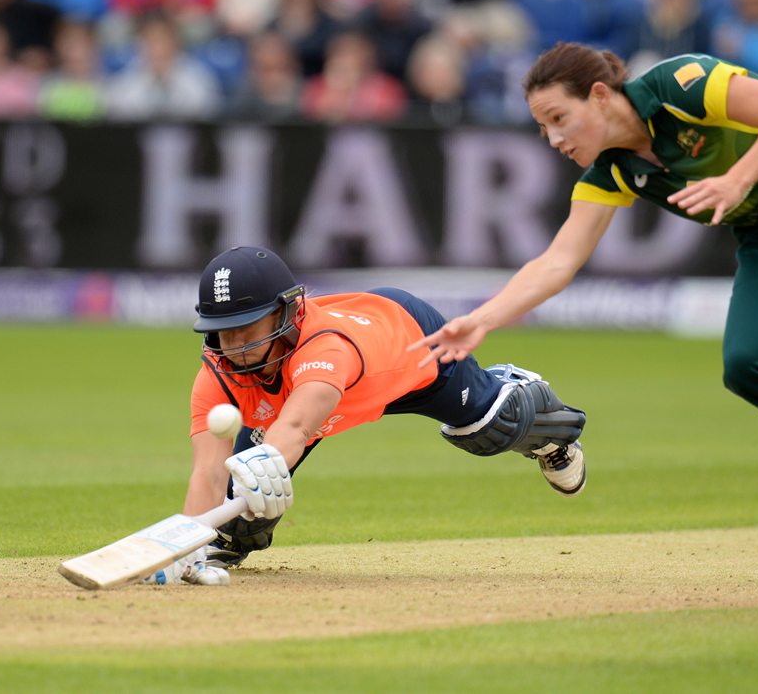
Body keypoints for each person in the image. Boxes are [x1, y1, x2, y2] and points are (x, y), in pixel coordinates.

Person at [410, 43, 758, 601]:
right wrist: (480, 319)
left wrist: (738, 180)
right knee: (752, 364)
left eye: (559, 118)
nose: (555, 139)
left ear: (601, 96)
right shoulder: (616, 170)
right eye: (543, 129)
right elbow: (559, 260)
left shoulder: (679, 83)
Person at [144, 245, 588, 585]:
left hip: (410, 352)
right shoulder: (217, 373)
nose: (234, 344)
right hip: (312, 403)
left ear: (286, 312)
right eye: (222, 331)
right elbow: (206, 472)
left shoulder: (325, 348)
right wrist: (189, 543)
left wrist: (262, 466)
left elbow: (296, 426)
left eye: (248, 326)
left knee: (490, 428)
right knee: (236, 518)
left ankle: (542, 420)